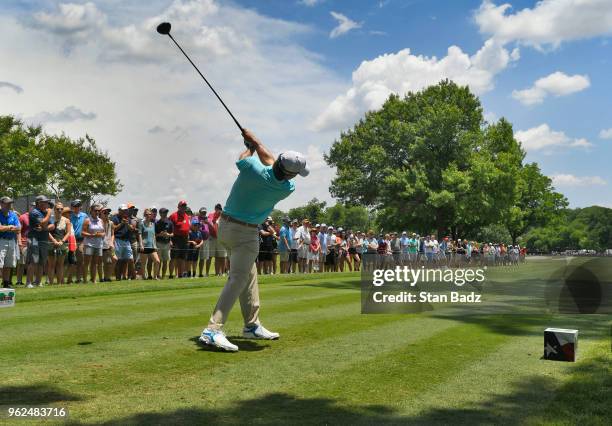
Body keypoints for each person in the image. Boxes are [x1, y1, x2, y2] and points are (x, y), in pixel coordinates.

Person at [199, 128, 309, 352]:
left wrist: (251, 146)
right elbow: (269, 160)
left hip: (225, 227)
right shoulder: (287, 187)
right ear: (290, 174)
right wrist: (256, 143)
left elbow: (249, 160)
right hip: (246, 233)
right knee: (238, 278)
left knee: (249, 275)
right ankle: (212, 329)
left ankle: (252, 324)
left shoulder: (250, 167)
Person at [27, 195, 55, 287]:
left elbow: (52, 226)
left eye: (47, 202)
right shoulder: (34, 212)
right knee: (34, 260)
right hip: (34, 239)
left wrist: (43, 228)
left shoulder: (46, 212)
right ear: (39, 203)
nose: (47, 204)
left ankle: (38, 282)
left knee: (41, 262)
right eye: (45, 202)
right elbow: (42, 222)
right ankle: (29, 283)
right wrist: (49, 213)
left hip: (43, 239)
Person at [47, 202, 71, 285]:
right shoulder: (50, 219)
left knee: (60, 265)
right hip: (51, 243)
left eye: (61, 209)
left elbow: (68, 233)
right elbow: (46, 231)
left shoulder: (66, 220)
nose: (60, 210)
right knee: (51, 265)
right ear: (54, 210)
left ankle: (59, 283)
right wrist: (54, 241)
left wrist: (62, 241)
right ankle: (50, 283)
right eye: (58, 209)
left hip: (62, 244)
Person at [0, 196, 20, 288]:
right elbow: (0, 228)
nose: (9, 205)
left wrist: (6, 228)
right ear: (1, 204)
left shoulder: (14, 215)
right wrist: (11, 227)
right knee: (0, 264)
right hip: (1, 241)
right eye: (7, 203)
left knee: (8, 264)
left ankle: (6, 283)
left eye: (10, 203)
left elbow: (19, 229)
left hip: (11, 241)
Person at [169, 201, 191, 278]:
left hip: (185, 240)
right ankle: (171, 275)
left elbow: (188, 228)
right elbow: (169, 228)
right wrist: (170, 240)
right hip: (176, 239)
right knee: (174, 258)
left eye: (184, 206)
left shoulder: (187, 216)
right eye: (182, 206)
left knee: (182, 258)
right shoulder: (173, 216)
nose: (183, 207)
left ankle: (180, 275)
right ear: (178, 207)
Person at [113, 205, 134, 280]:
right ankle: (118, 278)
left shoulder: (128, 219)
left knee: (130, 259)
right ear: (119, 210)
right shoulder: (115, 218)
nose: (125, 211)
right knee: (119, 260)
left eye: (126, 210)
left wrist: (127, 224)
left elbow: (132, 229)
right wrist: (121, 223)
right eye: (123, 210)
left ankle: (129, 277)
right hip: (118, 240)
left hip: (127, 241)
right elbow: (114, 229)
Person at [68, 199, 87, 283]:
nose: (77, 207)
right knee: (72, 261)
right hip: (72, 240)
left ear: (80, 207)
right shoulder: (70, 216)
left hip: (81, 240)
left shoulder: (85, 215)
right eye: (75, 206)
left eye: (78, 206)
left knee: (80, 261)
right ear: (72, 207)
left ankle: (78, 278)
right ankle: (69, 279)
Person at [139, 208, 160, 280]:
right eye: (147, 214)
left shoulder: (153, 224)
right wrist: (141, 244)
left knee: (157, 261)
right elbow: (140, 234)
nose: (148, 215)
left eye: (150, 214)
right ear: (144, 215)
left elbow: (153, 235)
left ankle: (155, 277)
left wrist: (155, 245)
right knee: (143, 263)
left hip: (152, 246)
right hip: (144, 246)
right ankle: (144, 277)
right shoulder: (141, 223)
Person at [207, 204, 227, 276]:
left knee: (222, 256)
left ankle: (223, 272)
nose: (218, 210)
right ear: (215, 209)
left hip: (221, 238)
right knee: (213, 256)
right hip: (212, 238)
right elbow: (209, 223)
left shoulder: (223, 216)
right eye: (217, 208)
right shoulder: (211, 215)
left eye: (219, 208)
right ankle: (216, 273)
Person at [155, 207, 174, 279]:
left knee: (165, 261)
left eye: (166, 212)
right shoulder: (157, 223)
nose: (165, 214)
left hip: (167, 244)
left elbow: (172, 234)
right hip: (159, 243)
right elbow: (155, 234)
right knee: (159, 261)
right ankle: (157, 275)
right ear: (160, 214)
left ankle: (163, 276)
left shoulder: (170, 222)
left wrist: (168, 235)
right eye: (163, 212)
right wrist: (160, 234)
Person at [194, 208, 210, 277]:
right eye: (202, 212)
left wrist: (207, 222)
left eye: (205, 212)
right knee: (195, 258)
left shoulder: (207, 219)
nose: (204, 214)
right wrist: (200, 223)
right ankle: (194, 273)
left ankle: (200, 273)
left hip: (205, 240)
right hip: (197, 239)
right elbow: (194, 227)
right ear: (200, 212)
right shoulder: (196, 218)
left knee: (203, 258)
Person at [101, 207, 116, 282]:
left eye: (108, 213)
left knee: (114, 260)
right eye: (105, 213)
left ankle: (107, 277)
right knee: (105, 262)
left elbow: (113, 234)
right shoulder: (99, 222)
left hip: (109, 245)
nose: (107, 214)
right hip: (101, 245)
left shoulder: (111, 223)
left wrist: (111, 242)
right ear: (101, 214)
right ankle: (104, 278)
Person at [16, 206, 30, 286]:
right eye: (33, 207)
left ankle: (30, 281)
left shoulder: (35, 217)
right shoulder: (22, 217)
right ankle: (19, 281)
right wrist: (20, 242)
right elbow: (19, 231)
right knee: (21, 263)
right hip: (24, 243)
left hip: (33, 243)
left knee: (30, 263)